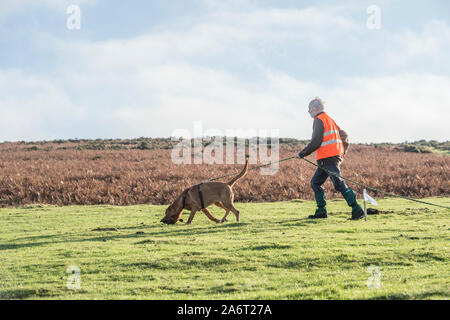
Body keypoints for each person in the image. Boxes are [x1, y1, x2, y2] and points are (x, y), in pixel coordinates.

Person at [297, 97, 364, 220]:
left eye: (310, 109)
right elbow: (344, 135)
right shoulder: (330, 120)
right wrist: (341, 152)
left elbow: (316, 141)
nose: (308, 111)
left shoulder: (319, 120)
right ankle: (321, 211)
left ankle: (357, 209)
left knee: (338, 183)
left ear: (316, 108)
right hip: (328, 158)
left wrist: (302, 153)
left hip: (328, 157)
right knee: (315, 182)